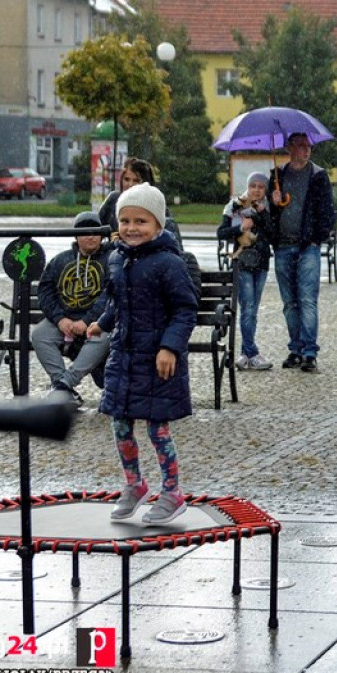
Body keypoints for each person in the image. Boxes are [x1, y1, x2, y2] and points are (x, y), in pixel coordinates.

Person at [87, 182, 199, 525]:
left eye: (141, 221)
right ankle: (134, 484)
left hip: (156, 360)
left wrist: (169, 347)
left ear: (158, 225)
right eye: (125, 221)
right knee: (120, 423)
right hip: (125, 356)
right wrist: (102, 323)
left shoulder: (169, 263)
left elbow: (185, 309)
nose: (132, 228)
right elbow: (118, 301)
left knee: (157, 428)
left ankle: (172, 491)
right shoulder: (118, 259)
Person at [269, 132, 337, 373]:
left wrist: (316, 240)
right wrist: (273, 203)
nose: (306, 150)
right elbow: (269, 216)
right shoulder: (278, 175)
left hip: (307, 247)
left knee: (307, 300)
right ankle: (295, 349)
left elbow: (328, 213)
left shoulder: (318, 176)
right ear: (290, 148)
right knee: (289, 303)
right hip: (283, 246)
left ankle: (309, 351)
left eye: (308, 146)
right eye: (301, 146)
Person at [32, 211, 111, 405]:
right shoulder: (60, 261)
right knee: (39, 334)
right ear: (76, 235)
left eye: (95, 231)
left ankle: (64, 385)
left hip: (98, 322)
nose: (91, 236)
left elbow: (110, 294)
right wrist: (60, 319)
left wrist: (87, 321)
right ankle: (63, 388)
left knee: (106, 335)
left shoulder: (111, 259)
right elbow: (45, 292)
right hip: (64, 321)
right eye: (85, 232)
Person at [218, 171, 274, 371]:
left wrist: (262, 215)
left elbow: (272, 234)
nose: (256, 190)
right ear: (248, 187)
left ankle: (244, 354)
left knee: (252, 310)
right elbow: (221, 233)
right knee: (248, 308)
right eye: (253, 186)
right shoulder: (234, 206)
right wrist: (240, 228)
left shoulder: (268, 208)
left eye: (260, 187)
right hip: (242, 263)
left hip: (261, 263)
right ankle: (252, 353)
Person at [97, 157, 183, 248]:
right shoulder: (113, 200)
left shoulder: (158, 207)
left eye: (136, 180)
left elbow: (176, 250)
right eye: (126, 179)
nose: (130, 184)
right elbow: (93, 231)